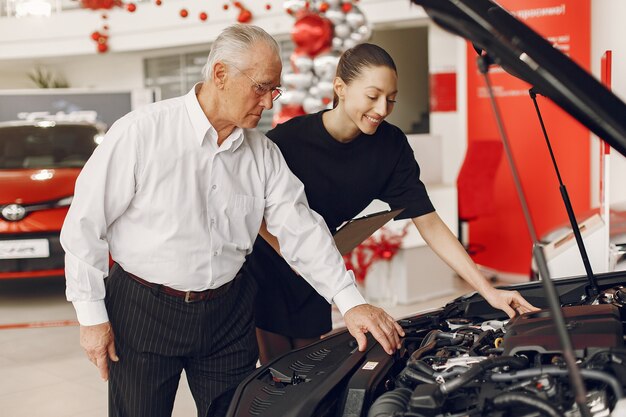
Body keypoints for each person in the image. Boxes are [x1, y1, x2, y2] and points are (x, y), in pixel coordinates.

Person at [60, 26, 404, 417]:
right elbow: (84, 226)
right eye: (262, 88)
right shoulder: (142, 132)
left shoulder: (262, 153)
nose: (270, 103)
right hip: (144, 310)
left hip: (228, 313)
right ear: (220, 74)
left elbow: (301, 230)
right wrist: (91, 318)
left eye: (275, 90)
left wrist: (351, 303)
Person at [242, 43, 538, 365]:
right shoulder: (285, 141)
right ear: (340, 87)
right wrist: (294, 258)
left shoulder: (391, 145)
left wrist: (488, 290)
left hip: (318, 270)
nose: (383, 109)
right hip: (268, 265)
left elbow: (430, 223)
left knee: (307, 369)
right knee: (276, 374)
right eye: (373, 96)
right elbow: (253, 210)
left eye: (391, 99)